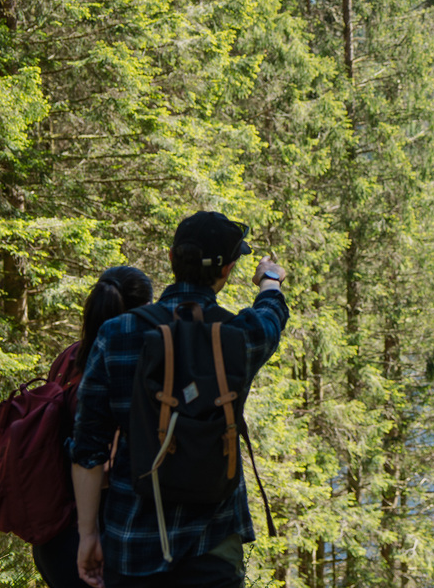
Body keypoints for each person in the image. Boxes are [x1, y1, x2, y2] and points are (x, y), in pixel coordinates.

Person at [68, 211, 289, 588]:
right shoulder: (238, 336)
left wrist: (88, 536)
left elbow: (88, 449)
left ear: (171, 259)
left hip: (132, 542)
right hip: (213, 546)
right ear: (228, 270)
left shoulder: (115, 334)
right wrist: (270, 277)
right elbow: (271, 314)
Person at [33, 266, 154, 588]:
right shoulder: (125, 366)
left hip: (53, 532)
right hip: (99, 533)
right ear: (140, 313)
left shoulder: (68, 358)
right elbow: (99, 463)